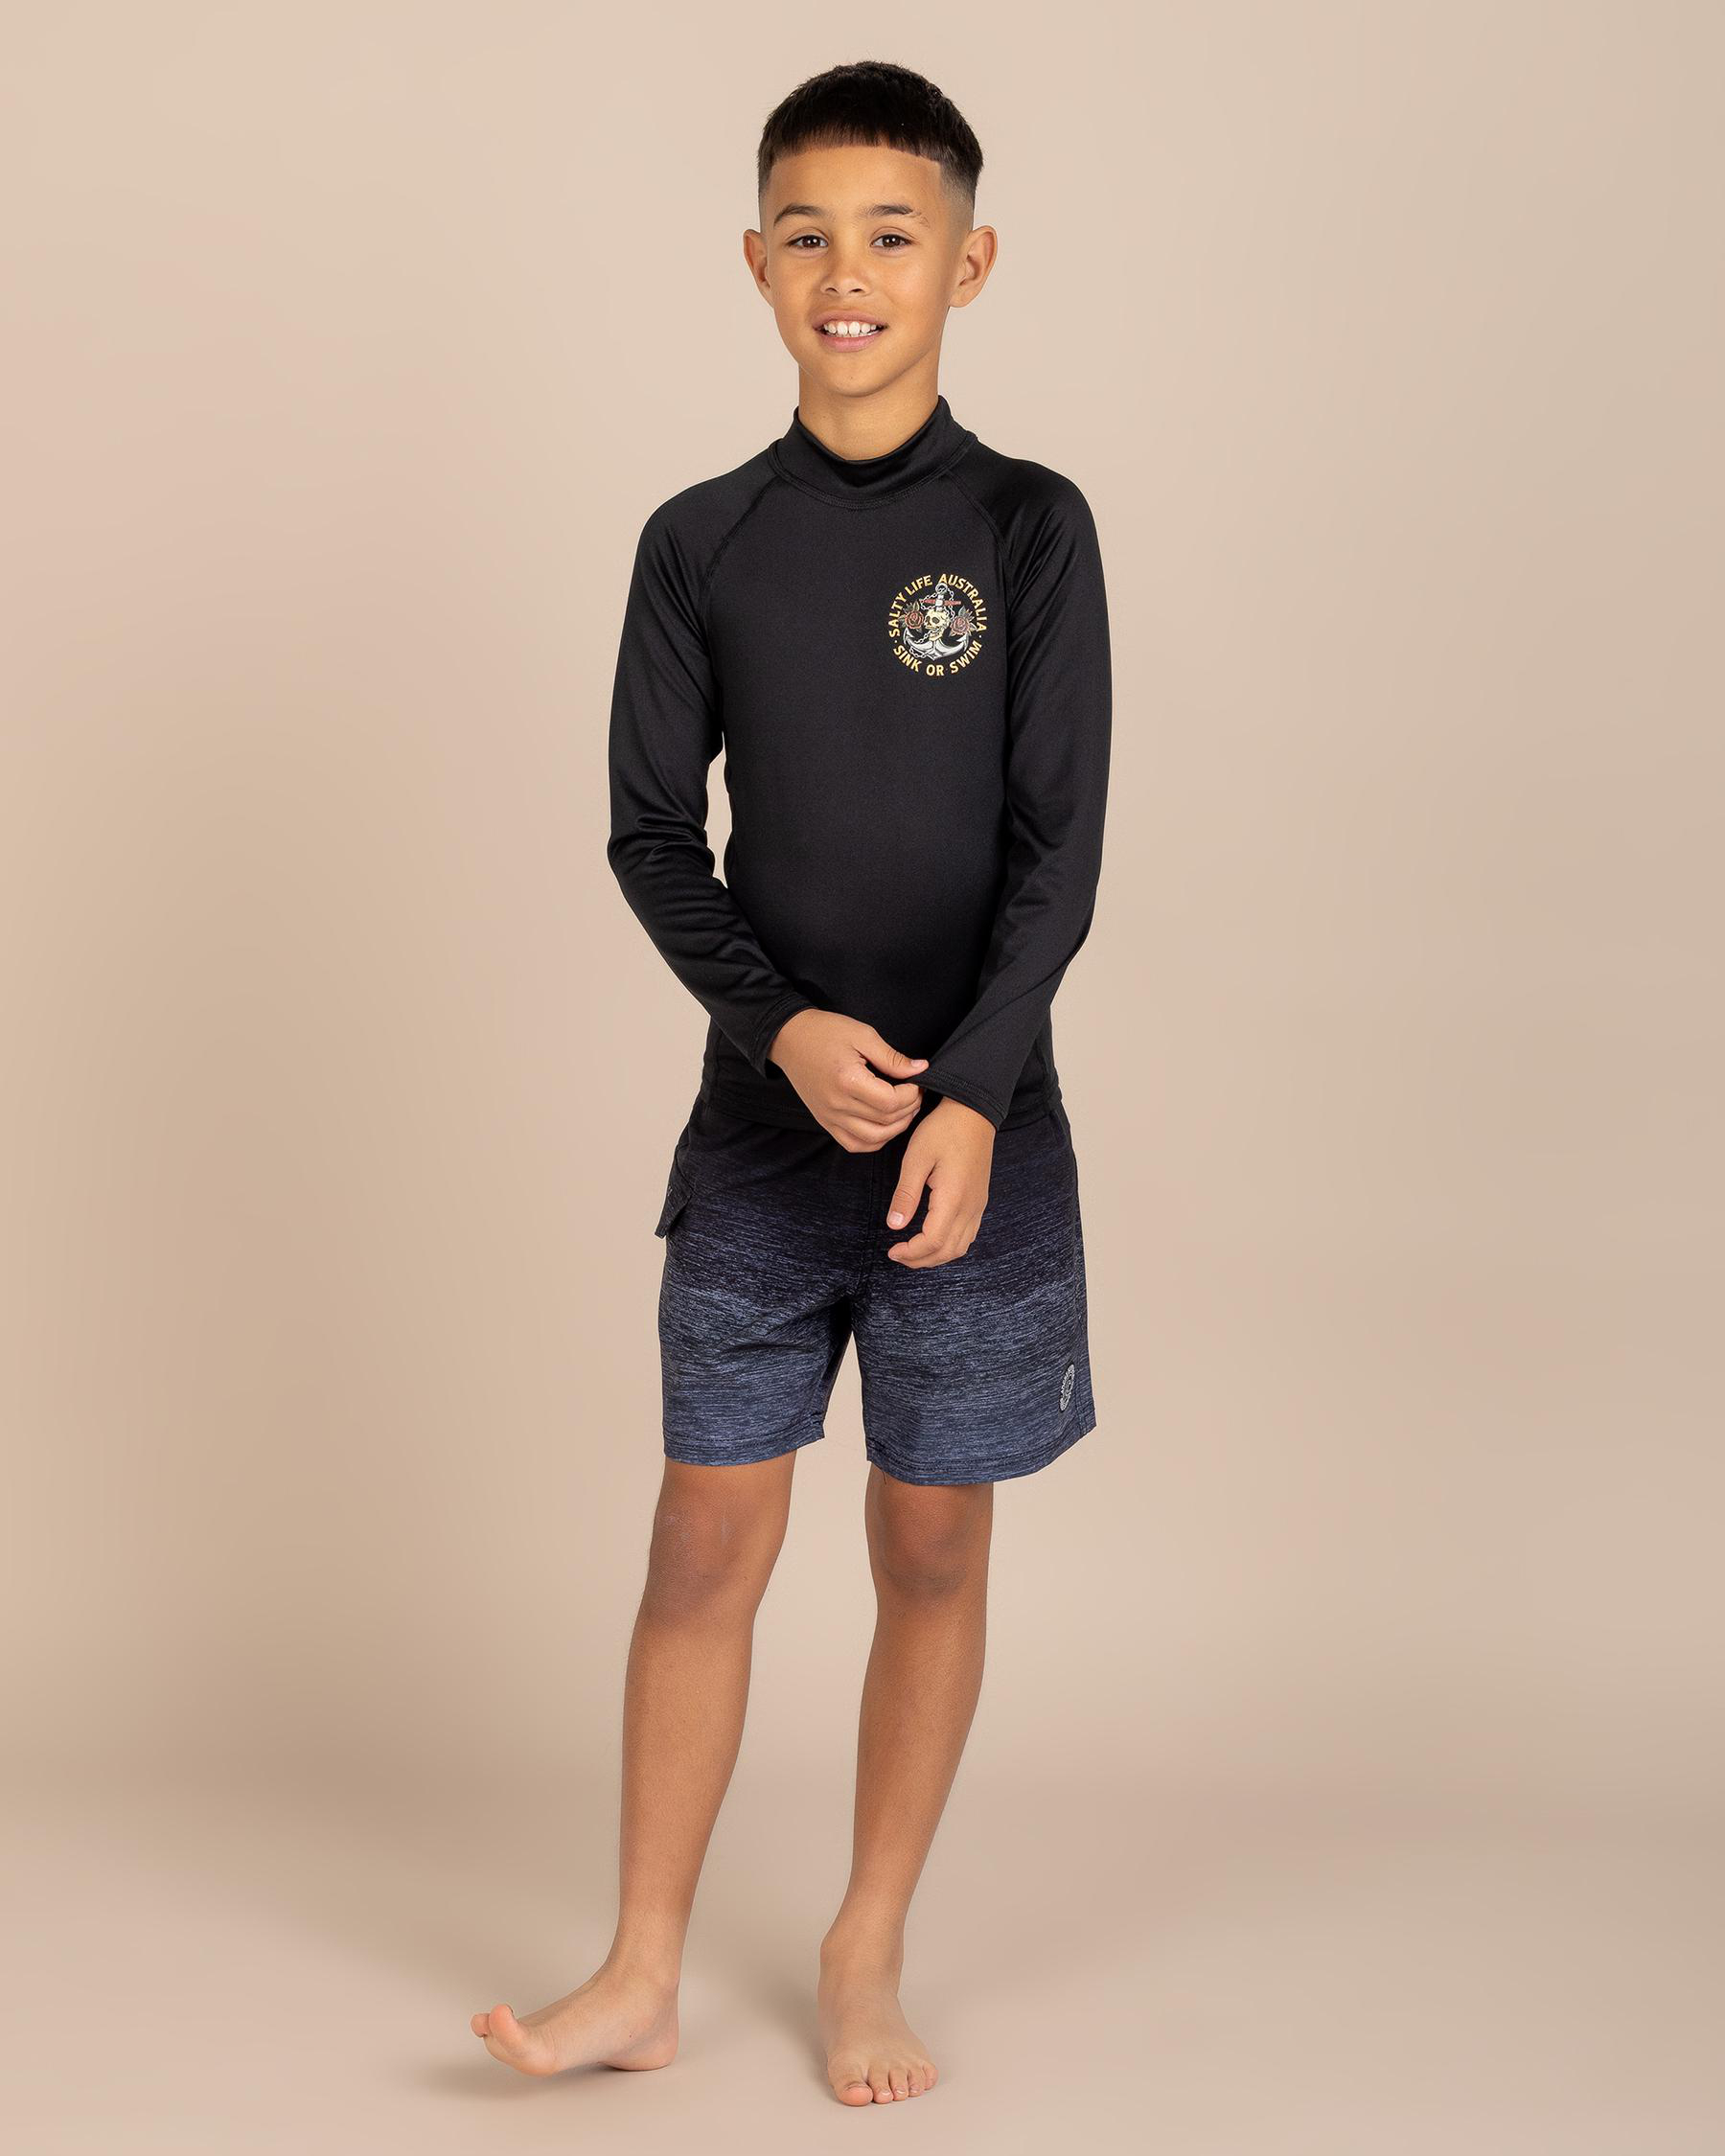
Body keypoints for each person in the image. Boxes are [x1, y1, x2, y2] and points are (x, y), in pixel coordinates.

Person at [472, 57, 1112, 2107]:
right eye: (811, 235)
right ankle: (640, 1967)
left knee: (930, 1548)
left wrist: (969, 1093)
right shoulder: (702, 541)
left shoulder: (1028, 529)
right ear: (756, 262)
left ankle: (865, 1943)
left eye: (893, 235)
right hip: (762, 1139)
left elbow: (1059, 853)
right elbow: (654, 835)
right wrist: (783, 1031)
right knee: (704, 1544)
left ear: (967, 265)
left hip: (976, 1143)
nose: (851, 271)